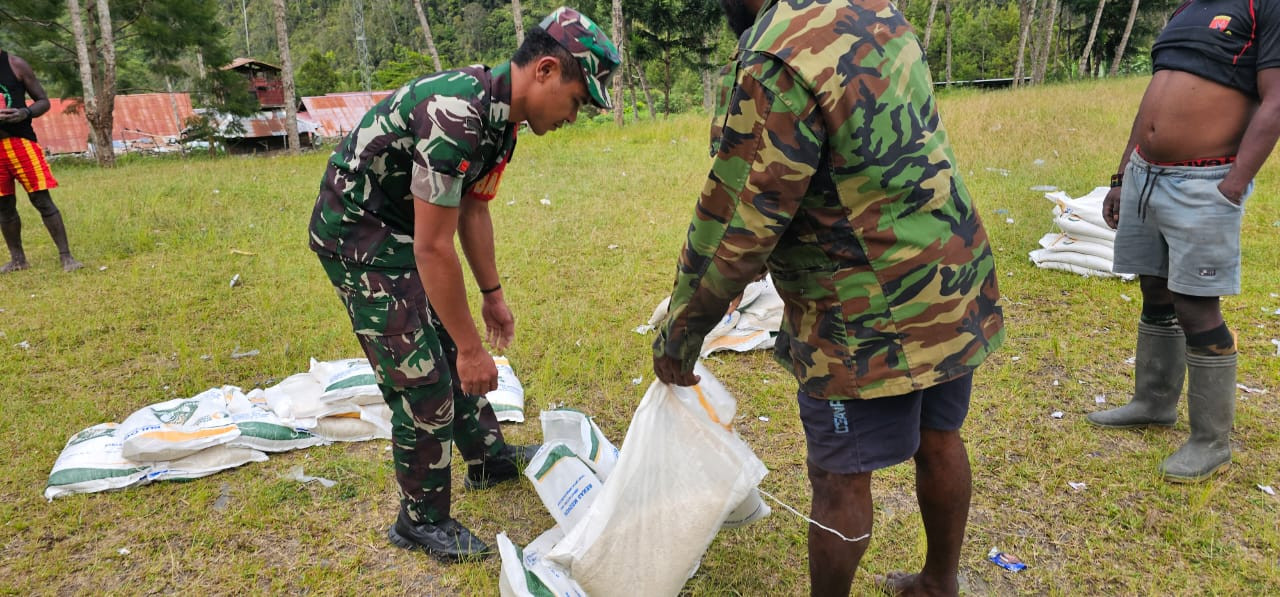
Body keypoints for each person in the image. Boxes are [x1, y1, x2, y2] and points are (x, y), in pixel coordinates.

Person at [652, 1, 1004, 595]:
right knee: (940, 436)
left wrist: (680, 336)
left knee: (839, 477)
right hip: (952, 269)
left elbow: (737, 224)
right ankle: (941, 581)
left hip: (865, 309)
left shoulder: (776, 56)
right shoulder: (876, 8)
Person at [308, 7, 619, 562]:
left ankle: (487, 458)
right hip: (361, 235)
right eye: (577, 99)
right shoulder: (459, 115)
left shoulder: (504, 125)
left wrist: (492, 296)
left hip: (408, 230)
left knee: (451, 342)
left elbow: (473, 211)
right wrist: (473, 348)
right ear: (545, 70)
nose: (576, 115)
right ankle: (419, 521)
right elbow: (432, 248)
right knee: (423, 376)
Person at [1088, 0, 1280, 483]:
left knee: (1196, 306)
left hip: (1205, 181)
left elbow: (1275, 99)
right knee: (1154, 288)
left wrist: (1235, 183)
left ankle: (1210, 441)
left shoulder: (1263, 7)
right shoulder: (1185, 11)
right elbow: (1154, 100)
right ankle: (1153, 403)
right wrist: (1121, 175)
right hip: (1146, 174)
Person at [0, 49, 82, 273]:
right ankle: (18, 260)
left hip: (21, 143)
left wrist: (25, 113)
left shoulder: (15, 64)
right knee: (4, 205)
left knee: (41, 199)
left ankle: (67, 257)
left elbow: (43, 101)